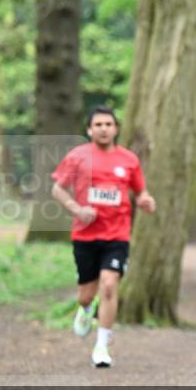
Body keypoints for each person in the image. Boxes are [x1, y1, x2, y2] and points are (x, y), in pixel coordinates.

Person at [51, 106, 156, 367]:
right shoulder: (77, 156)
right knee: (86, 294)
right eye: (98, 124)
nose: (103, 128)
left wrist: (145, 200)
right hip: (85, 235)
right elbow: (58, 189)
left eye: (108, 124)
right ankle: (86, 310)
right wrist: (77, 209)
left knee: (109, 285)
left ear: (116, 128)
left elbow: (140, 191)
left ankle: (101, 346)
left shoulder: (129, 159)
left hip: (117, 234)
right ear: (89, 129)